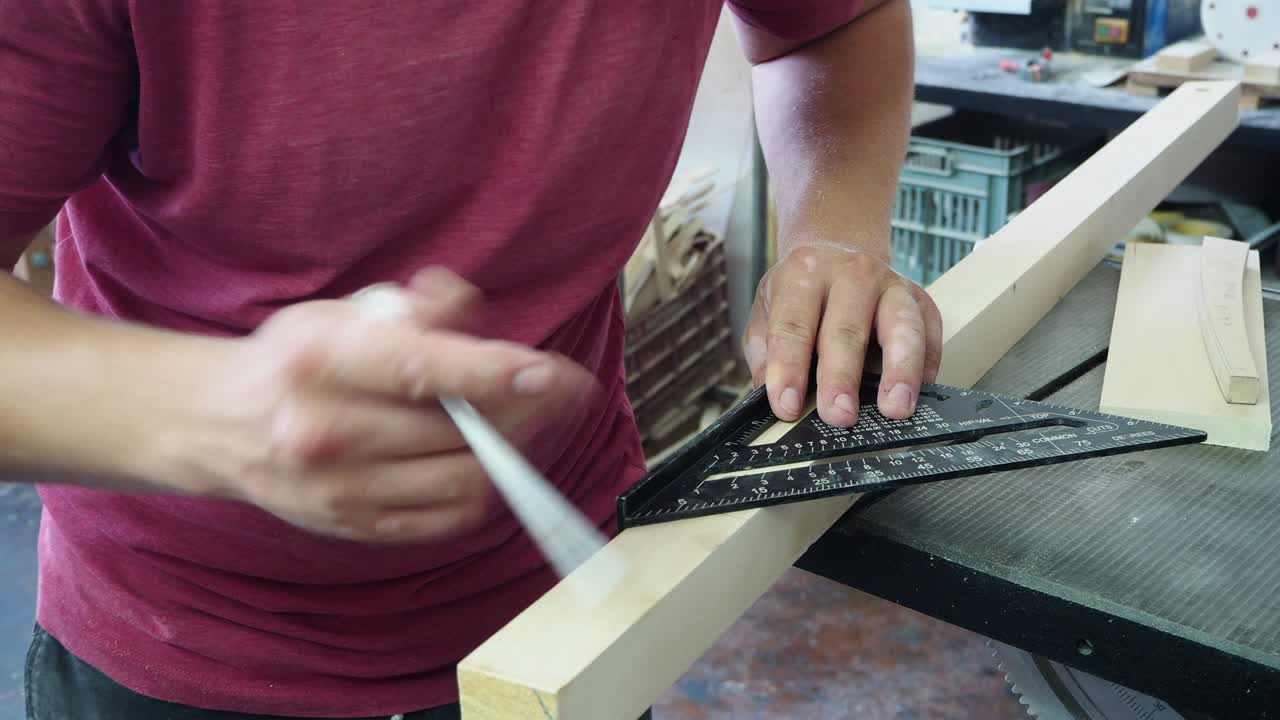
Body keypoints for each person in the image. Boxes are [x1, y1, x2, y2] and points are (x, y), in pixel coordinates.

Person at [1, 1, 942, 718]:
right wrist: (215, 420)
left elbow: (831, 24)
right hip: (182, 642)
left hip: (563, 621)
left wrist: (834, 230)